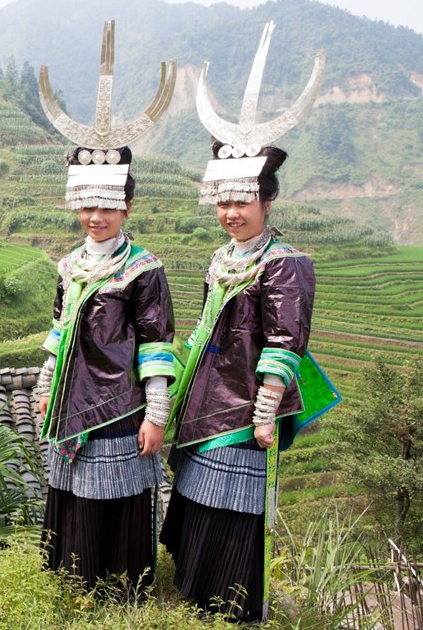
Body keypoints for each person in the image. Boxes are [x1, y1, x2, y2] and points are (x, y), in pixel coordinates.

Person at [160, 139, 316, 622]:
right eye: (224, 203)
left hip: (245, 401)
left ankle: (231, 603)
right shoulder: (221, 257)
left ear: (266, 204)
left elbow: (285, 339)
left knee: (233, 500)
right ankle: (193, 589)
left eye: (242, 202)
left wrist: (266, 409)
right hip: (203, 392)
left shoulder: (284, 263)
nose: (232, 213)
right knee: (198, 489)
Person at [35, 144, 176, 593]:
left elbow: (156, 343)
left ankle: (120, 587)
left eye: (108, 207)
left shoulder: (143, 270)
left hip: (118, 404)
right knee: (73, 494)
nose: (96, 217)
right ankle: (74, 581)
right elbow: (59, 331)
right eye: (87, 206)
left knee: (115, 495)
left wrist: (156, 415)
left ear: (126, 209)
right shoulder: (70, 265)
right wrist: (46, 385)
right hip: (69, 403)